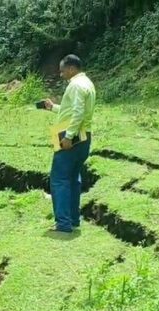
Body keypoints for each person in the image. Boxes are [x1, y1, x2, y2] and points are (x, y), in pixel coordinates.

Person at [41, 54, 96, 233]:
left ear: (72, 68)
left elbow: (78, 113)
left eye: (63, 70)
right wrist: (53, 107)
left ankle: (63, 223)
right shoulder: (87, 83)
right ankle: (73, 220)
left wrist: (68, 137)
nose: (61, 74)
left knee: (59, 179)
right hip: (85, 135)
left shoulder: (76, 85)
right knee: (73, 178)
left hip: (71, 134)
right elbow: (72, 110)